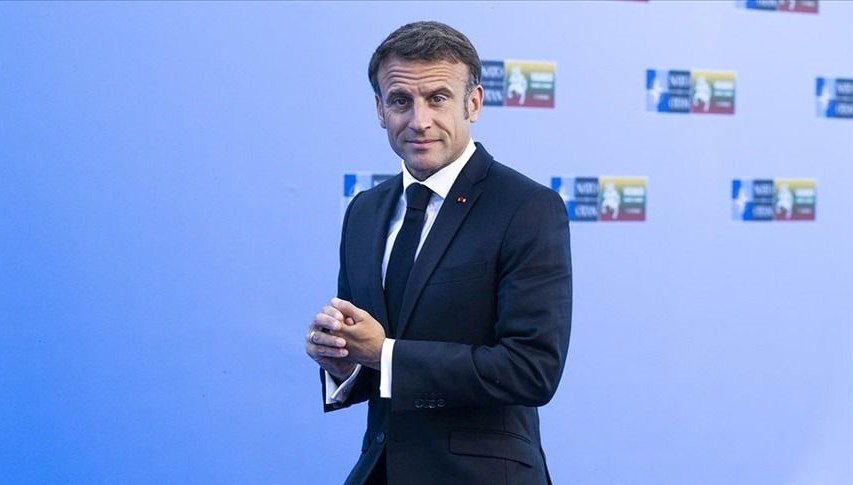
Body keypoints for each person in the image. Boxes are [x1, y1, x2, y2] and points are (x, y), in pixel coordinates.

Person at [305, 20, 572, 485]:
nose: (419, 120)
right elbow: (373, 355)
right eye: (400, 101)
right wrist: (344, 361)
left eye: (438, 98)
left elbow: (532, 370)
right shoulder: (364, 211)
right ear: (379, 110)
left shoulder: (527, 207)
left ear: (474, 103)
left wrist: (385, 354)